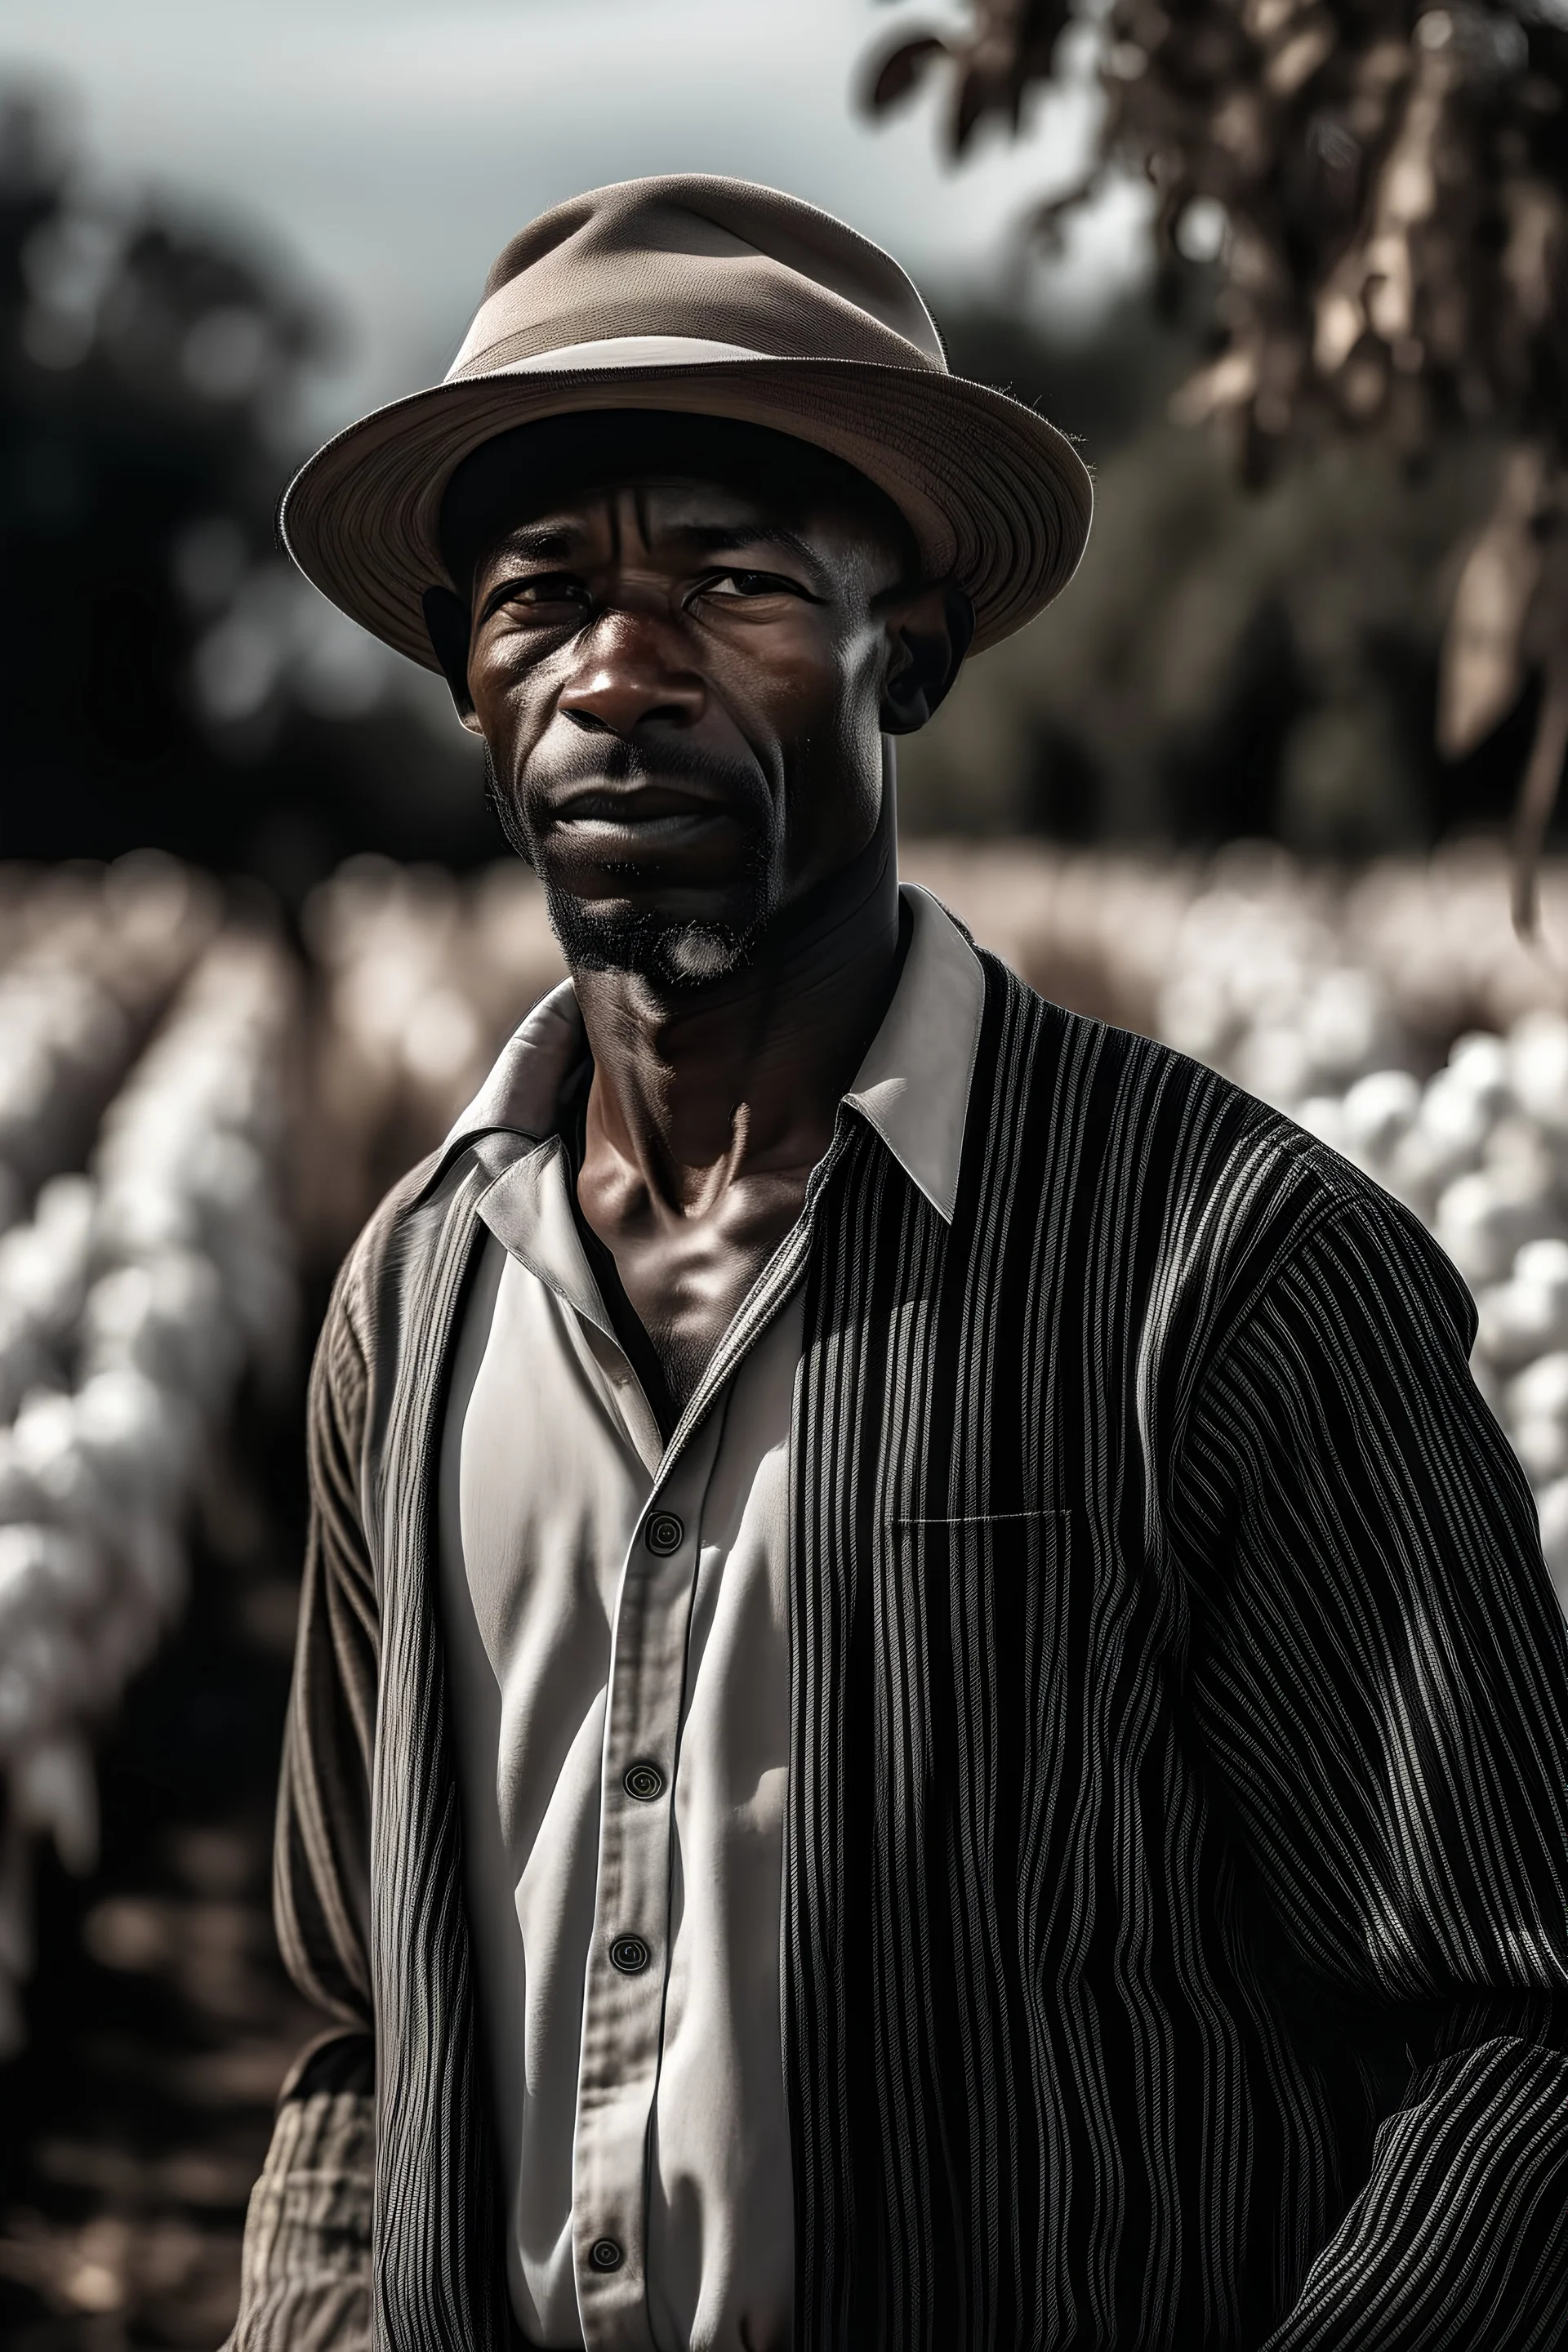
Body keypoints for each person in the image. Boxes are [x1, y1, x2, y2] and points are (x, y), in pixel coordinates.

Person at [229, 176, 1568, 2352]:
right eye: (540, 596)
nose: (618, 674)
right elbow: (364, 2048)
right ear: (466, 684)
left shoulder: (1229, 1279)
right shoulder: (412, 1301)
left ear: (912, 647)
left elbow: (1512, 2051)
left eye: (736, 584)